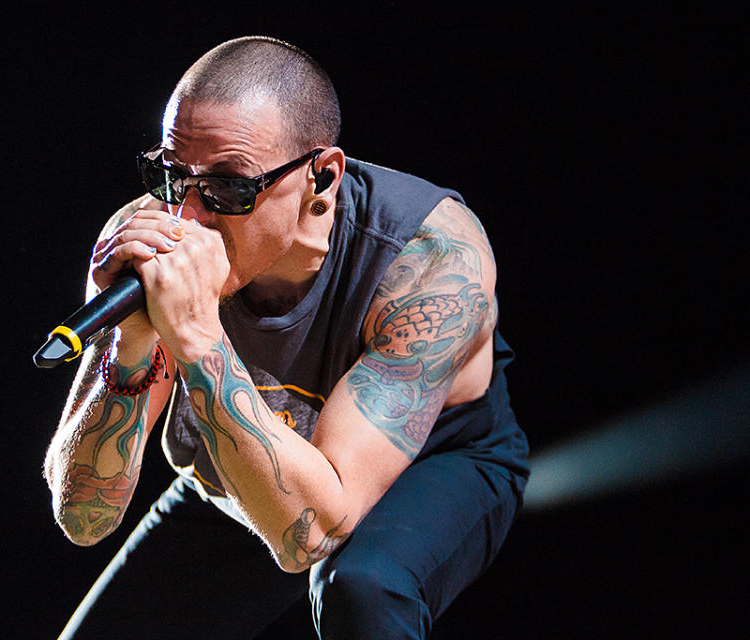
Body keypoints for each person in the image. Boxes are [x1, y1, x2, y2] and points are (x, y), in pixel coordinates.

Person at [43, 36, 529, 639]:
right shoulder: (149, 233)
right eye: (171, 176)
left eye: (228, 187)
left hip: (431, 462)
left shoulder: (431, 258)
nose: (188, 217)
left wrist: (196, 337)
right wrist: (131, 346)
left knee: (361, 588)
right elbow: (85, 517)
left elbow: (315, 536)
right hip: (243, 453)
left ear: (320, 177)